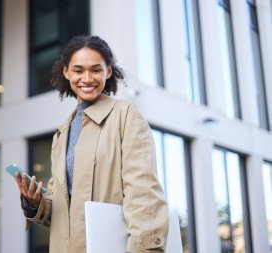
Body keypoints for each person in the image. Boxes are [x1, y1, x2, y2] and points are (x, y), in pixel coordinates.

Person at [16, 35, 168, 253]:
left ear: (108, 71)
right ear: (66, 72)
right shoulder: (62, 132)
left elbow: (144, 195)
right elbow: (61, 207)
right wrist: (34, 202)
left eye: (96, 70)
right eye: (78, 70)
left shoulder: (125, 115)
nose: (87, 78)